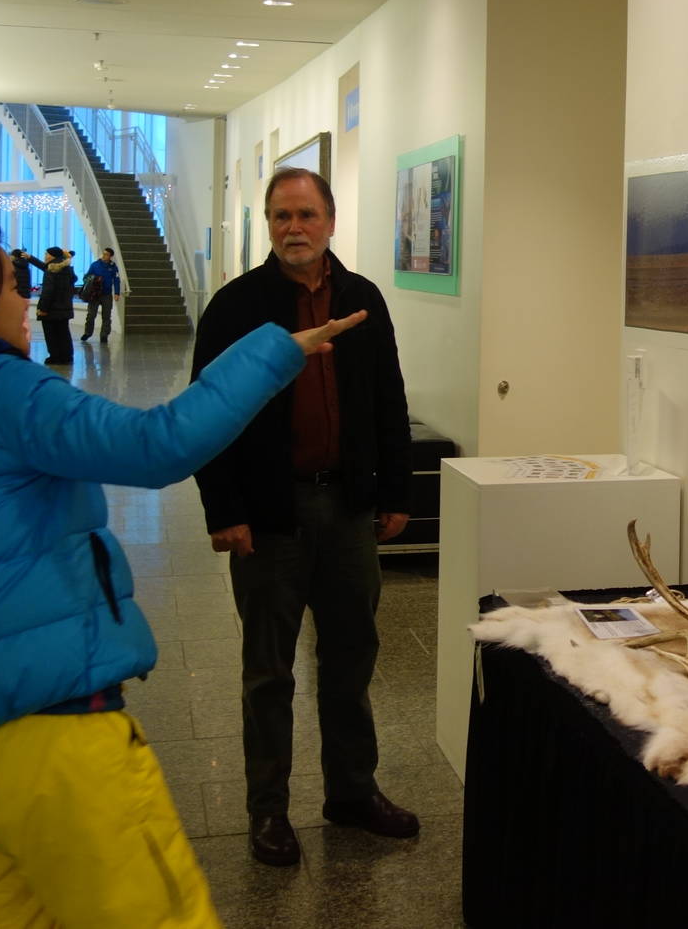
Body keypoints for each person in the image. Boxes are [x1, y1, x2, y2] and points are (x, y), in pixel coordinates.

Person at [0, 215, 365, 929]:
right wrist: (276, 353)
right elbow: (156, 444)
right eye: (14, 285)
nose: (29, 301)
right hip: (47, 745)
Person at [190, 168, 419, 865]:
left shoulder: (361, 298)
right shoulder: (237, 306)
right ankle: (268, 811)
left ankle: (352, 790)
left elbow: (387, 397)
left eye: (307, 214)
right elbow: (205, 413)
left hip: (347, 507)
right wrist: (224, 509)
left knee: (351, 657)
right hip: (268, 514)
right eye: (282, 215)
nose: (295, 227)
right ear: (268, 223)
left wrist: (395, 491)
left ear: (331, 220)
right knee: (269, 672)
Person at [34, 246, 76, 366]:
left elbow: (48, 291)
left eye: (46, 254)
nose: (45, 256)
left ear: (52, 256)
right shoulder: (67, 269)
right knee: (64, 333)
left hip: (52, 309)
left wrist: (43, 308)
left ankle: (55, 356)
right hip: (65, 308)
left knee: (51, 334)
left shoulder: (51, 270)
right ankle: (67, 356)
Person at [81, 246, 121, 343]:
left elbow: (116, 280)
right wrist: (94, 279)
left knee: (106, 316)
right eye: (103, 254)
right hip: (95, 294)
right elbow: (86, 277)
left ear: (110, 256)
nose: (104, 256)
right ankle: (87, 333)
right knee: (91, 315)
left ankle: (104, 335)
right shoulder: (95, 265)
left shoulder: (113, 267)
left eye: (106, 254)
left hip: (107, 295)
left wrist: (116, 293)